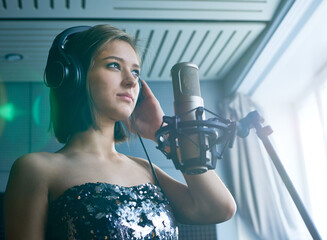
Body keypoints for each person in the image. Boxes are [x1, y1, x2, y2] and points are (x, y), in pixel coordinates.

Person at [4, 24, 236, 240]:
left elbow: (219, 208)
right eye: (114, 65)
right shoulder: (35, 168)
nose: (130, 81)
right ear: (75, 76)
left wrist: (163, 135)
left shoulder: (146, 169)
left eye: (135, 72)